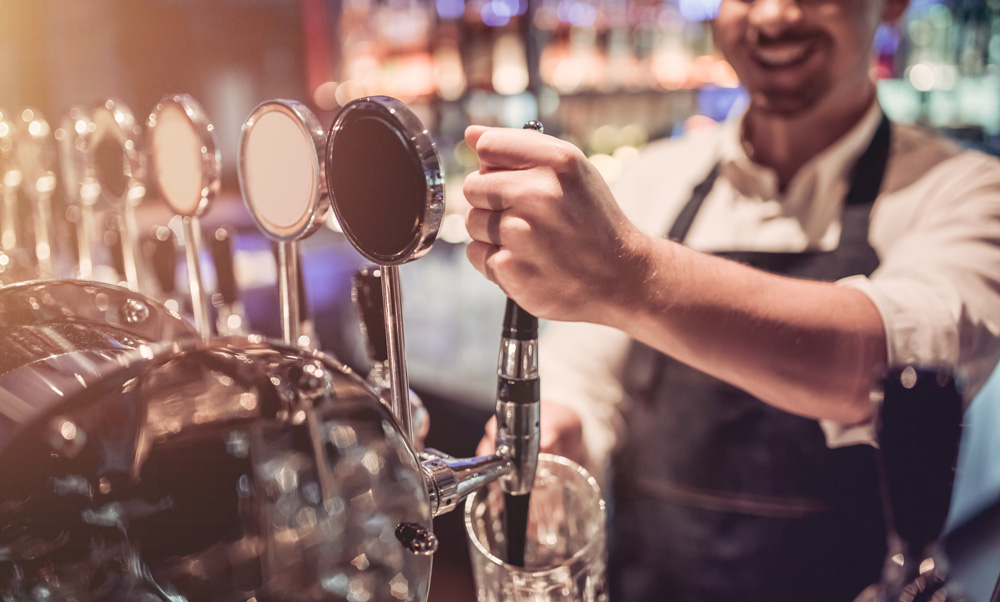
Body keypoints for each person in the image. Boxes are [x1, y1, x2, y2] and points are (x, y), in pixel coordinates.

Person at [464, 0, 1000, 600]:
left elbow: (881, 367)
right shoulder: (655, 177)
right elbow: (586, 376)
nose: (772, 17)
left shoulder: (968, 191)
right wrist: (563, 433)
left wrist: (629, 274)